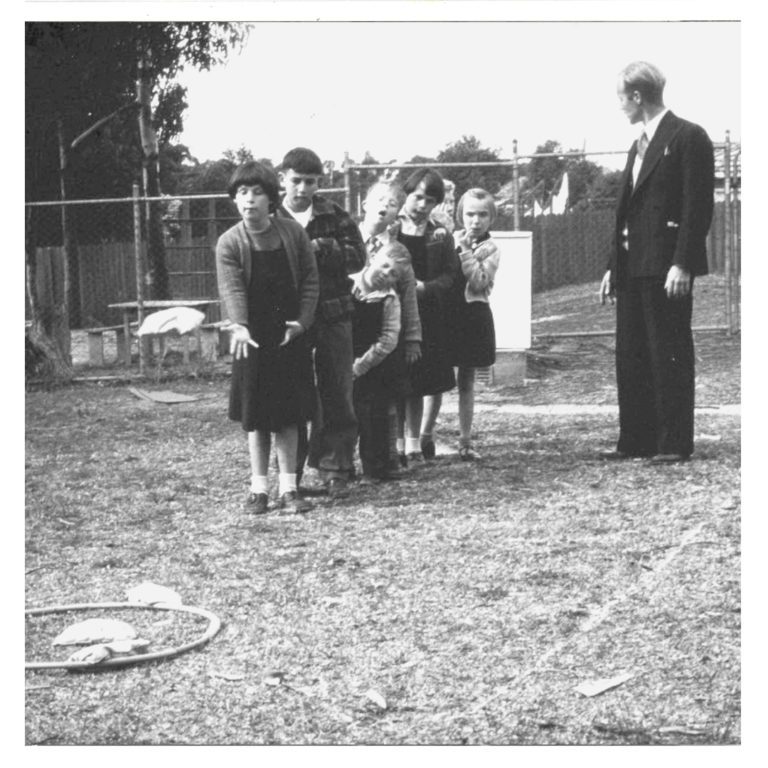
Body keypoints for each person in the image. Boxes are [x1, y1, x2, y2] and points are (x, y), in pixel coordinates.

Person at [599, 61, 714, 463]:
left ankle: (674, 442)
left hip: (666, 268)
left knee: (669, 352)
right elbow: (628, 210)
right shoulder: (638, 145)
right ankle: (636, 439)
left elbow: (696, 206)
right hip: (632, 268)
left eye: (620, 98)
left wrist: (682, 262)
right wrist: (614, 265)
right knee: (631, 355)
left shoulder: (688, 137)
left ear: (636, 96)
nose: (619, 107)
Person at [215, 161, 319, 514]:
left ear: (271, 198)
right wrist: (240, 326)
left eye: (257, 192)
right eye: (242, 193)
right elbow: (231, 290)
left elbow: (309, 281)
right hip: (252, 340)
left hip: (288, 337)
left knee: (289, 417)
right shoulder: (229, 243)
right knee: (256, 417)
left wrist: (302, 323)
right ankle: (259, 491)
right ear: (234, 200)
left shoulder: (293, 233)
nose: (250, 200)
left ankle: (289, 489)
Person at [275, 147, 368, 498]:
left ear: (319, 182)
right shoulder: (270, 215)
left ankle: (336, 468)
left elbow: (358, 256)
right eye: (296, 181)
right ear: (282, 178)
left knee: (338, 391)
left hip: (334, 313)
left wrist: (322, 248)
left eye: (309, 182)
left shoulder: (334, 213)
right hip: (290, 319)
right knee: (293, 395)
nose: (302, 189)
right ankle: (290, 474)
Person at [424, 188, 500, 460]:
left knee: (466, 380)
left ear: (491, 218)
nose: (475, 221)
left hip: (472, 317)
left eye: (482, 215)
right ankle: (424, 436)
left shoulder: (490, 248)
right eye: (470, 214)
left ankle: (465, 440)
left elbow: (479, 281)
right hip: (446, 316)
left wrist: (466, 252)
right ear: (460, 215)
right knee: (436, 380)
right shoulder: (450, 239)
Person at [392, 168, 459, 463]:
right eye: (417, 197)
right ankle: (393, 446)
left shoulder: (439, 232)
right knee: (395, 381)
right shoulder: (390, 225)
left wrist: (426, 288)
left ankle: (415, 444)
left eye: (429, 200)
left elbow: (450, 275)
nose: (422, 205)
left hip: (428, 313)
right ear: (407, 194)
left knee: (420, 381)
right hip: (392, 312)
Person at [358, 180, 422, 474]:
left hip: (386, 332)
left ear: (398, 215)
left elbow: (409, 297)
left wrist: (412, 338)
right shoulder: (349, 240)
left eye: (393, 203)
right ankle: (341, 465)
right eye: (379, 199)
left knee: (385, 400)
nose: (385, 206)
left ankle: (387, 459)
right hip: (352, 331)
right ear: (364, 203)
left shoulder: (398, 252)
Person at [349, 243, 411, 483]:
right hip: (343, 359)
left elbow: (388, 339)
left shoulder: (389, 299)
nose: (387, 274)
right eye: (385, 266)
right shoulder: (348, 285)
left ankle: (374, 468)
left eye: (394, 273)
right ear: (373, 258)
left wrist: (359, 367)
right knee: (342, 415)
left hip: (373, 365)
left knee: (373, 416)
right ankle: (340, 469)